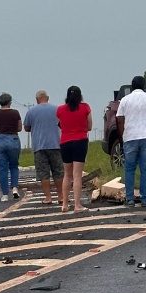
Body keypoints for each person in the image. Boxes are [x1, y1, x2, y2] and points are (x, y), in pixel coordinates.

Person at [116, 76, 146, 209]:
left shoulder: (125, 100)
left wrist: (122, 136)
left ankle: (130, 198)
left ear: (131, 87)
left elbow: (119, 119)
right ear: (144, 86)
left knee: (129, 168)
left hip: (130, 137)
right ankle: (145, 199)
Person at [23, 90, 64, 205]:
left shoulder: (31, 111)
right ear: (48, 98)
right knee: (58, 171)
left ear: (36, 99)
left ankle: (48, 197)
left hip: (39, 146)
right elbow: (62, 123)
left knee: (43, 173)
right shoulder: (57, 109)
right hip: (55, 144)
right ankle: (61, 196)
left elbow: (26, 127)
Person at [56, 85, 92, 213]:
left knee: (67, 174)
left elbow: (61, 124)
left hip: (65, 142)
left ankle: (65, 204)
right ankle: (77, 205)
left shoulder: (60, 109)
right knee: (77, 175)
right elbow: (89, 126)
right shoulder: (85, 107)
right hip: (80, 141)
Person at [0, 93, 22, 202]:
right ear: (10, 102)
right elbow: (19, 128)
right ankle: (14, 187)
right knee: (14, 165)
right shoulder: (15, 113)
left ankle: (4, 194)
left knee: (2, 168)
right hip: (13, 138)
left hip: (0, 140)